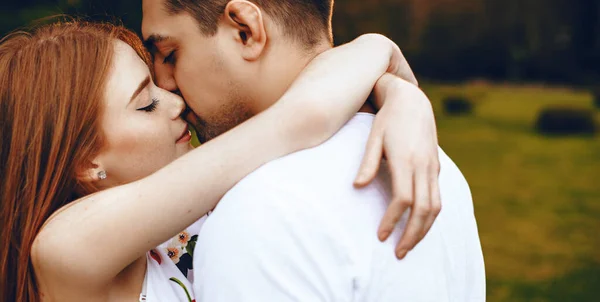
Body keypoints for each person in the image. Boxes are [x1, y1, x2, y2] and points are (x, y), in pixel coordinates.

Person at [0, 20, 439, 302]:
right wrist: (384, 58)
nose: (174, 102)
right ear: (85, 162)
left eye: (158, 85)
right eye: (146, 105)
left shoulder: (182, 225)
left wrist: (396, 95)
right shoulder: (65, 251)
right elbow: (299, 118)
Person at [140, 0, 486, 301]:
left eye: (170, 54)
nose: (165, 84)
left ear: (245, 30)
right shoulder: (435, 166)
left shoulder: (260, 213)